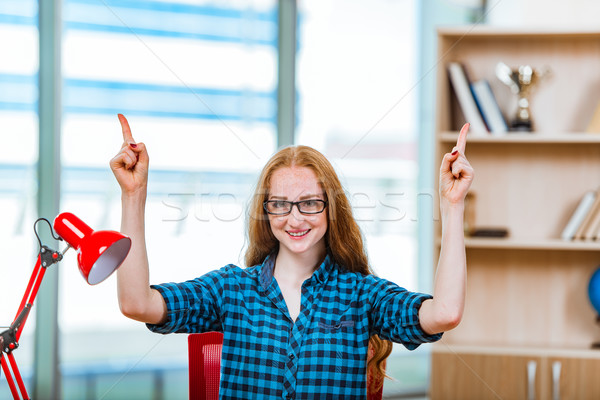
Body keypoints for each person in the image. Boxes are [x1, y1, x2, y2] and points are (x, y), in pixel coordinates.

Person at [110, 114, 473, 399]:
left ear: (331, 209)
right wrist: (133, 195)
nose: (295, 218)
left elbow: (444, 313)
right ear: (266, 212)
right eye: (280, 204)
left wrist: (452, 206)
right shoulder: (232, 289)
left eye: (310, 203)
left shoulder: (361, 296)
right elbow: (137, 303)